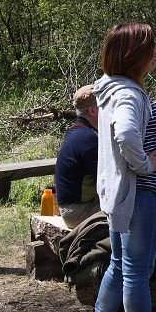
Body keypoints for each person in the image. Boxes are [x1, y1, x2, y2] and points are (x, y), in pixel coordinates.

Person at [88, 23, 156, 312]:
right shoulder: (128, 94)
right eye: (151, 49)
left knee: (120, 266)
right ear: (136, 56)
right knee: (138, 271)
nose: (155, 55)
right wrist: (145, 165)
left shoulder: (109, 88)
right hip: (142, 193)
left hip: (119, 193)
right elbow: (125, 133)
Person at [55, 84, 100, 229]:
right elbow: (110, 180)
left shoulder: (80, 131)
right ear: (92, 110)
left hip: (74, 208)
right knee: (139, 205)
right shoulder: (88, 138)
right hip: (78, 212)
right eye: (105, 105)